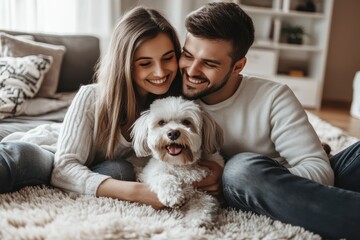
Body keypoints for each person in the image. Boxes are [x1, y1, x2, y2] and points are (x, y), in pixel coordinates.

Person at [180, 2, 360, 239]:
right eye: (187, 55)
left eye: (209, 63)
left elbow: (320, 171)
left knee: (238, 171)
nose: (192, 70)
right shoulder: (170, 100)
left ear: (238, 66)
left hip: (265, 182)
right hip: (249, 185)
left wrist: (263, 182)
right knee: (241, 171)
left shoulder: (273, 96)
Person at [0, 6, 181, 209]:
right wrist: (137, 192)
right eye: (145, 63)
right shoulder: (92, 96)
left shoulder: (175, 107)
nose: (160, 71)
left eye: (167, 58)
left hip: (97, 167)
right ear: (125, 65)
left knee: (120, 171)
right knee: (28, 158)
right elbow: (64, 168)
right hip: (55, 153)